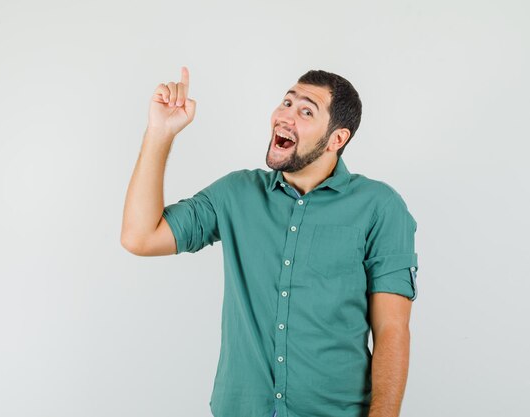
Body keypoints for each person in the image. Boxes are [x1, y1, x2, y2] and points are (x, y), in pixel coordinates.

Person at [121, 66, 419, 417]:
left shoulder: (379, 206)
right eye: (286, 102)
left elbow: (391, 329)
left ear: (337, 139)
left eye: (306, 111)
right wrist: (160, 132)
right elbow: (140, 237)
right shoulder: (236, 193)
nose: (286, 116)